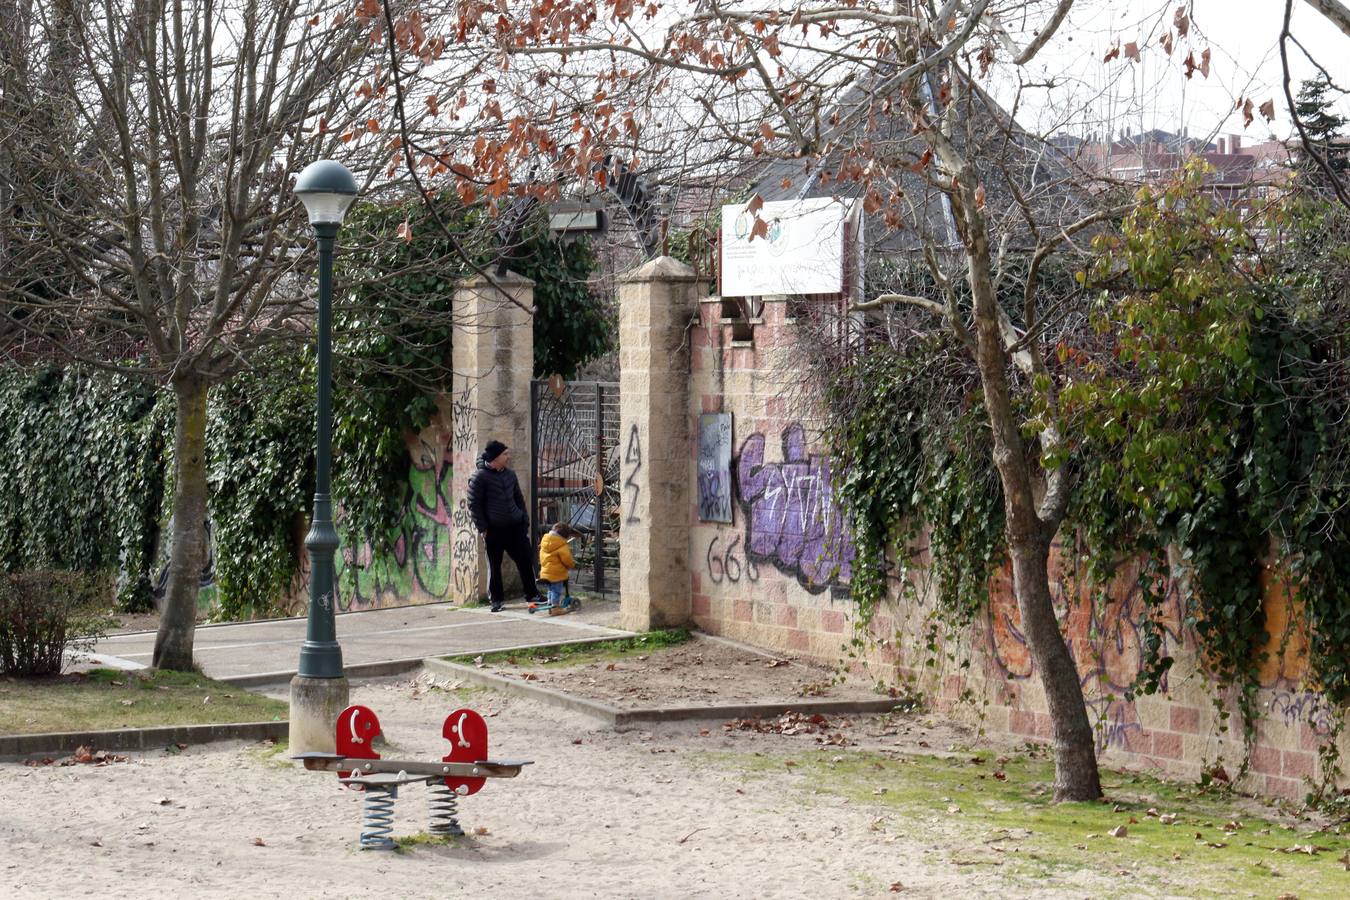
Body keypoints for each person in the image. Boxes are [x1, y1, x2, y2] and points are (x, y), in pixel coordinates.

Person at [466, 440, 541, 612]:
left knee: (525, 559)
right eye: (505, 454)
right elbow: (473, 504)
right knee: (494, 565)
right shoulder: (479, 477)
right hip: (494, 530)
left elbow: (519, 499)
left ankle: (532, 594)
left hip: (515, 528)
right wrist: (483, 528)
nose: (508, 457)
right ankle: (497, 600)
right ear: (495, 457)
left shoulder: (510, 475)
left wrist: (524, 520)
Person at [535, 523, 581, 615]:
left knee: (550, 589)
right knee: (556, 590)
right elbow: (567, 560)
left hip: (545, 572)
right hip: (557, 573)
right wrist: (572, 565)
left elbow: (541, 556)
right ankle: (555, 608)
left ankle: (550, 603)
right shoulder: (562, 546)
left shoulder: (544, 543)